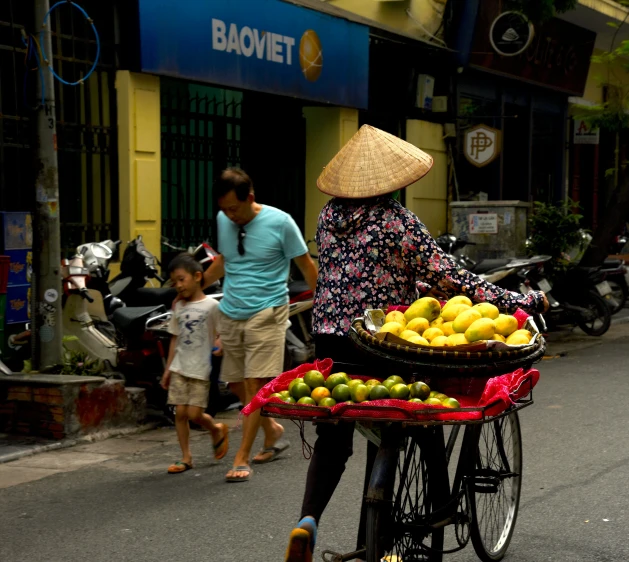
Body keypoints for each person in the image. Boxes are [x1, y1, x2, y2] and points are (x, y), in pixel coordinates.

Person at [284, 125, 549, 562]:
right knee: (414, 413)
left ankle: (307, 520)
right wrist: (517, 299)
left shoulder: (329, 216)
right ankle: (409, 526)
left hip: (331, 338)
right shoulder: (397, 221)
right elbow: (454, 277)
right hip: (385, 340)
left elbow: (367, 272)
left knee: (336, 434)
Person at [200, 168, 318, 482]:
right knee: (236, 383)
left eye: (234, 209)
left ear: (250, 198)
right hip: (231, 310)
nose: (228, 215)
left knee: (254, 384)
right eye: (224, 209)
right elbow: (224, 260)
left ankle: (242, 457)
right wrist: (194, 287)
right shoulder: (225, 219)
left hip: (267, 311)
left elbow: (306, 265)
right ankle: (273, 430)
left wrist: (325, 307)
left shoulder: (281, 222)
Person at [161, 254, 229, 473]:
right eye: (174, 282)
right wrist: (167, 369)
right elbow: (174, 337)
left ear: (198, 276)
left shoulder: (212, 306)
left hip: (201, 368)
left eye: (182, 279)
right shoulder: (178, 307)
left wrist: (220, 342)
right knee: (179, 413)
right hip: (180, 367)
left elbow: (221, 331)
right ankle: (186, 457)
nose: (178, 286)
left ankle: (216, 428)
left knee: (194, 415)